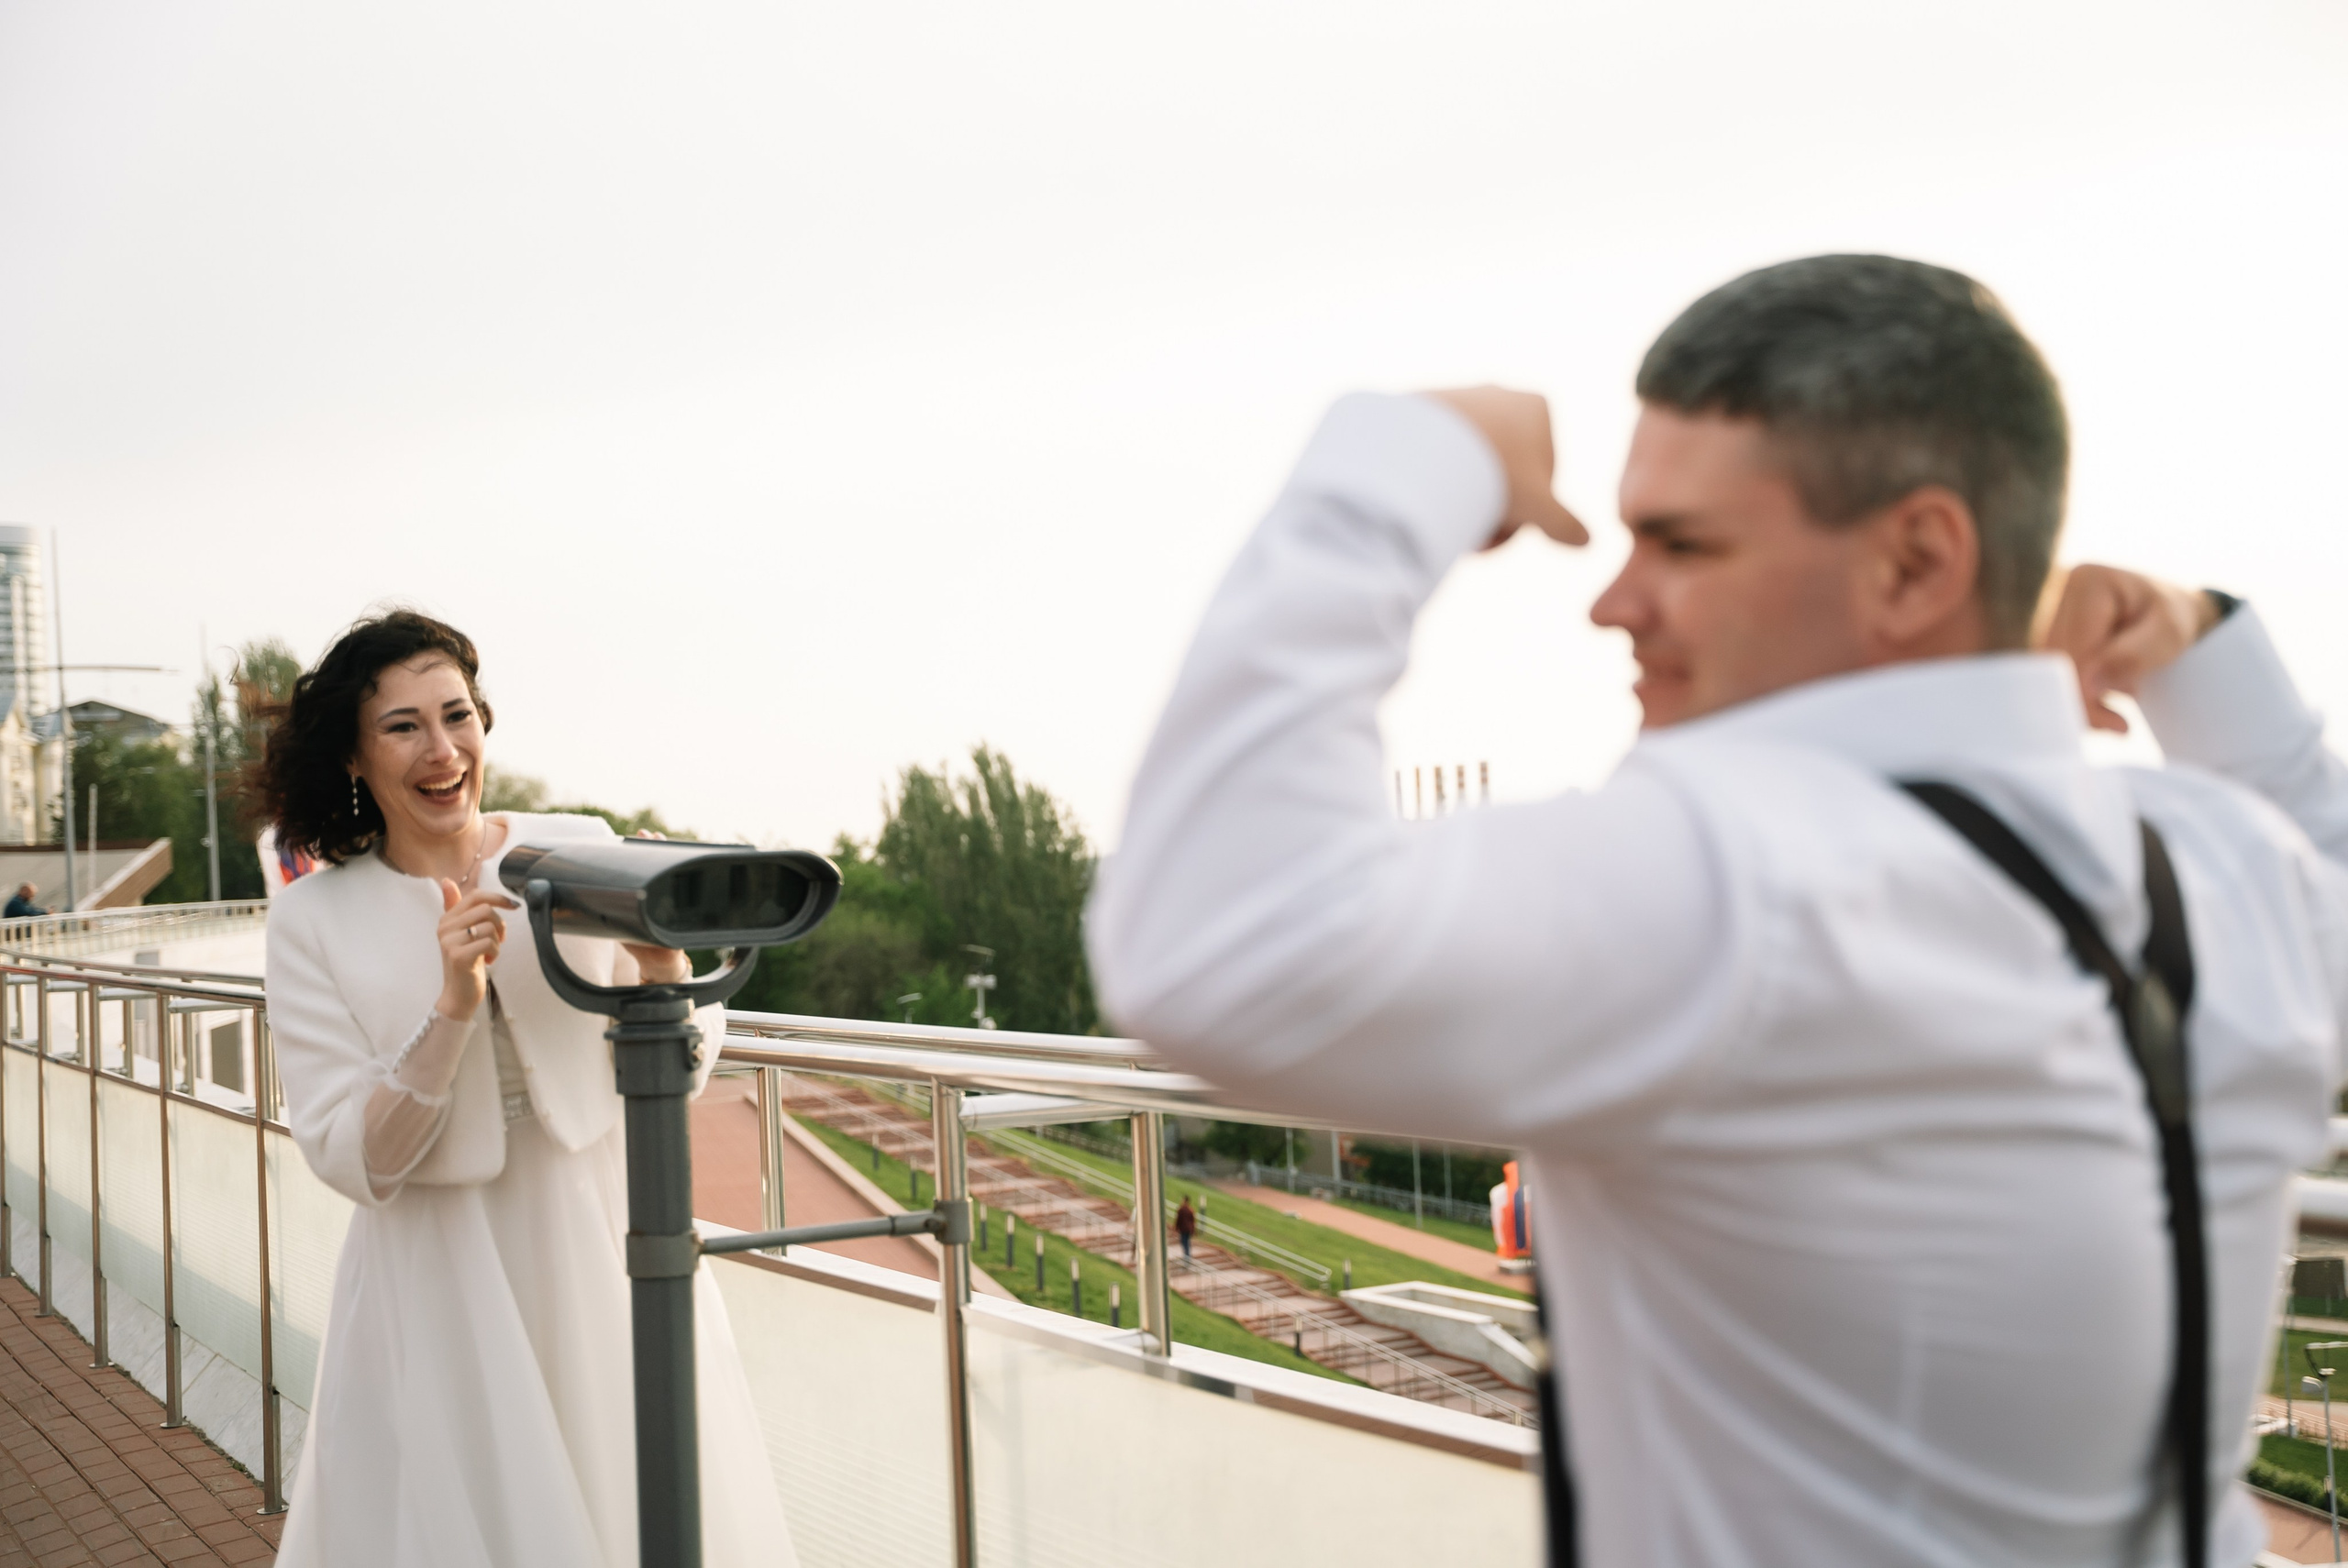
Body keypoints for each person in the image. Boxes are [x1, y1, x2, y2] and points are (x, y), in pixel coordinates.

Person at [1088, 255, 2345, 1566]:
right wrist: (2206, 644)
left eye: (1681, 544)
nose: (1614, 600)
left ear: (1917, 560)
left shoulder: (1744, 877)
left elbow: (1207, 933)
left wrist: (1405, 470)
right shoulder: (2224, 865)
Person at [260, 611, 794, 1568]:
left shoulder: (575, 850)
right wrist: (452, 1008)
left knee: (648, 1501)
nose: (441, 750)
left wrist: (663, 964)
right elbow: (353, 1160)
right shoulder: (312, 921)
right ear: (354, 754)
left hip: (603, 1241)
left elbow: (680, 1069)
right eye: (403, 727)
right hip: (436, 1271)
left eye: (457, 715)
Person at [1173, 1195, 1197, 1259]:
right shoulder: (1190, 1210)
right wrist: (1193, 1230)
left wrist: (1176, 1228)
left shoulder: (1182, 1209)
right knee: (1187, 1242)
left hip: (1183, 1229)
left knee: (1184, 1242)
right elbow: (1193, 1221)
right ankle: (1187, 1256)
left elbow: (1178, 1219)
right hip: (1188, 1229)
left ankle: (1186, 1257)